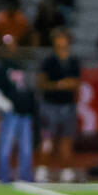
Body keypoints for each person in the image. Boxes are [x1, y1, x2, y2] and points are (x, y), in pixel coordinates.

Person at [0, 34, 36, 183]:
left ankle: (26, 177)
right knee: (5, 145)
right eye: (6, 45)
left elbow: (28, 88)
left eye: (12, 44)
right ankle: (3, 176)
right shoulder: (0, 68)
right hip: (11, 113)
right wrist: (7, 106)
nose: (10, 48)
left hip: (25, 112)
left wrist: (30, 105)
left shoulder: (22, 65)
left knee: (26, 147)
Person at [36, 29, 81, 183]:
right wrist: (60, 84)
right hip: (50, 105)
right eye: (59, 39)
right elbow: (41, 83)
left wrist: (66, 85)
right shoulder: (48, 61)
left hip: (67, 105)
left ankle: (66, 171)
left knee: (67, 139)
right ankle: (41, 170)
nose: (61, 42)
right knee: (47, 139)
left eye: (64, 39)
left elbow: (76, 82)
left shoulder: (73, 60)